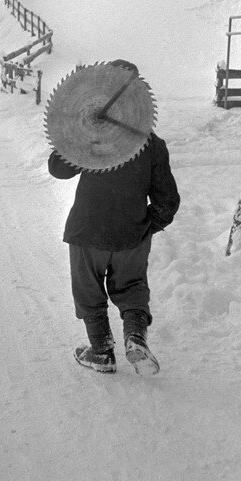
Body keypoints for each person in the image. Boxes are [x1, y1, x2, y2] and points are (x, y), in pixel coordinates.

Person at [48, 60, 180, 376]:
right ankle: (135, 338)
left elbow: (58, 169)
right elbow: (168, 201)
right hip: (131, 232)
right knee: (132, 287)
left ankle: (102, 351)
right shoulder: (152, 144)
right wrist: (146, 226)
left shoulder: (92, 136)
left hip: (87, 229)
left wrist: (77, 132)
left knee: (88, 289)